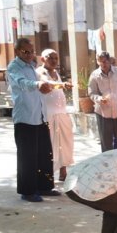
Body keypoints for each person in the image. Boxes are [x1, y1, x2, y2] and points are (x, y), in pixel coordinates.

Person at [6, 38, 57, 202]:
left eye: (31, 51)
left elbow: (37, 86)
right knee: (27, 157)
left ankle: (44, 186)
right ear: (17, 51)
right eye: (25, 52)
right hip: (25, 117)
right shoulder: (14, 67)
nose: (29, 55)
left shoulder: (31, 66)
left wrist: (44, 87)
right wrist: (37, 84)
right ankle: (27, 191)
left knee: (44, 153)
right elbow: (22, 83)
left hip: (39, 115)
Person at [36, 50, 74, 182]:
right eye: (50, 58)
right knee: (51, 145)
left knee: (64, 143)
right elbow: (46, 84)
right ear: (43, 59)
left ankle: (63, 171)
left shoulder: (55, 72)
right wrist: (62, 85)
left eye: (56, 58)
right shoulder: (39, 72)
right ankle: (48, 174)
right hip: (48, 114)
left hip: (61, 113)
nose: (53, 61)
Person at [89, 51, 117, 151]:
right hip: (103, 114)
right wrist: (99, 99)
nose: (102, 64)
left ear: (109, 60)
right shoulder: (94, 75)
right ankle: (107, 165)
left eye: (104, 61)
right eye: (99, 62)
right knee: (106, 144)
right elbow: (92, 93)